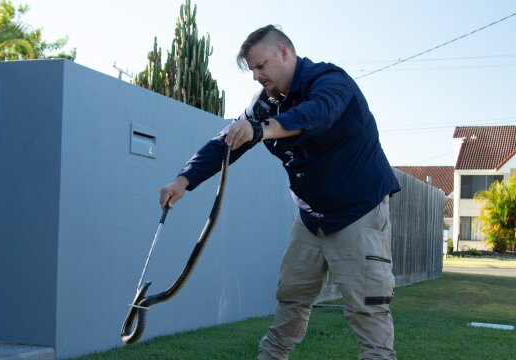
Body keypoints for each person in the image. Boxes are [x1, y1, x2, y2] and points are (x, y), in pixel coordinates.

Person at [160, 24, 400, 360]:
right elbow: (224, 142)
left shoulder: (331, 81)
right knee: (290, 301)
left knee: (368, 311)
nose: (257, 76)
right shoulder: (265, 103)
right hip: (310, 218)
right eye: (252, 70)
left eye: (261, 66)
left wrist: (262, 129)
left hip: (358, 213)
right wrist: (182, 181)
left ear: (284, 53)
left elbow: (317, 115)